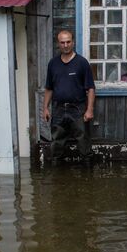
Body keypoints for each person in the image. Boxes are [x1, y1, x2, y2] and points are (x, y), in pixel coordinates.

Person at [42, 30, 96, 160]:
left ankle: (87, 176)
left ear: (73, 42)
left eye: (68, 42)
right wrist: (45, 108)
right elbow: (49, 88)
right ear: (58, 44)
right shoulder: (53, 64)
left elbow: (90, 88)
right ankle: (57, 177)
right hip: (59, 109)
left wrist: (89, 110)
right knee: (57, 143)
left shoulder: (82, 63)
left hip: (78, 109)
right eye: (62, 42)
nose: (65, 45)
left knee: (84, 143)